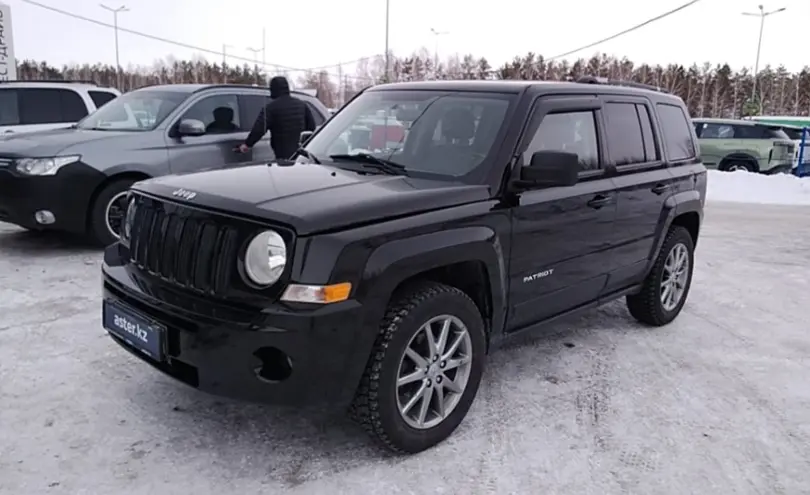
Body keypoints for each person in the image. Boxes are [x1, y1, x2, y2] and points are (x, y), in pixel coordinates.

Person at [238, 76, 317, 159]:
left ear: (273, 89)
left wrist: (247, 144)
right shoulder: (301, 104)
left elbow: (259, 129)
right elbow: (311, 126)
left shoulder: (271, 108)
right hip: (302, 152)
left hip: (282, 152)